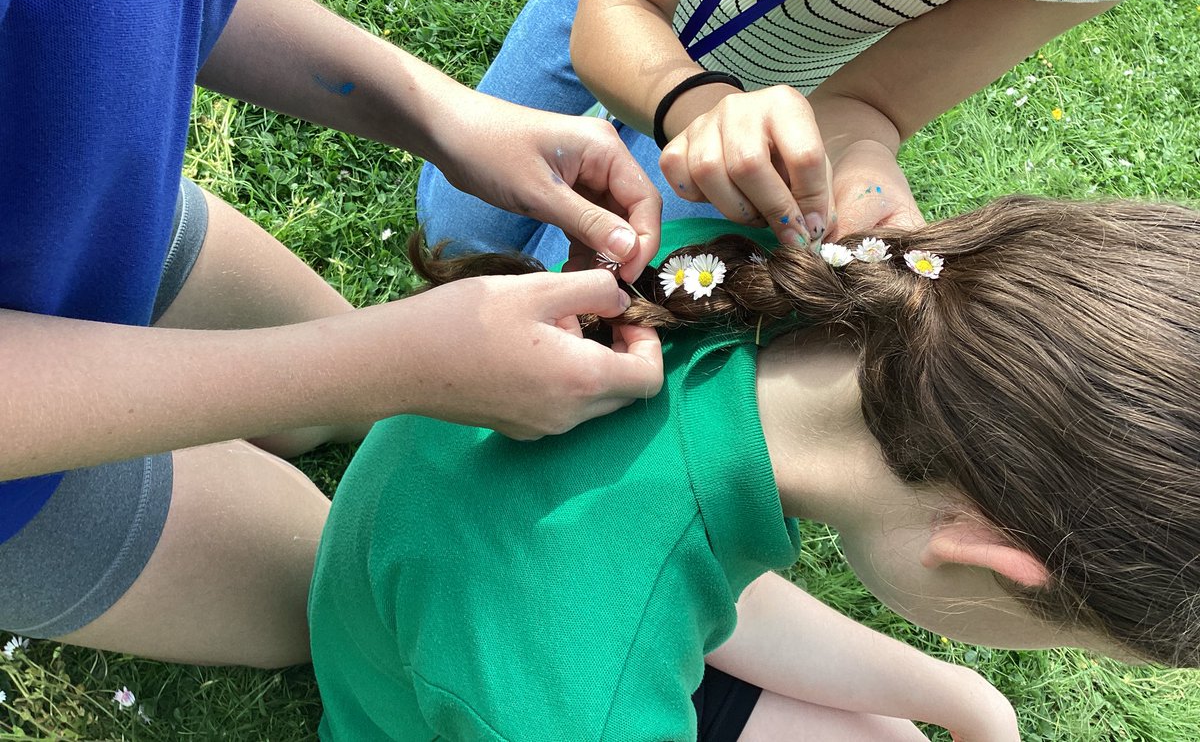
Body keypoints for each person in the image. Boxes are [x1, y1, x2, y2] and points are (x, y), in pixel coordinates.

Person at [0, 0, 665, 668]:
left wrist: (443, 116)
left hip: (87, 211)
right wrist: (384, 363)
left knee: (354, 411)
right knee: (368, 589)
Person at [308, 195, 1200, 740]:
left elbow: (679, 579)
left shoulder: (738, 281)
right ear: (988, 557)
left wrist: (967, 700)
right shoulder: (582, 700)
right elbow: (617, 614)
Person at [417, 0, 1200, 265]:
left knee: (593, 279)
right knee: (459, 225)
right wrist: (706, 110)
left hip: (782, 99)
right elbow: (619, 3)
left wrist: (862, 166)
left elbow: (875, 107)